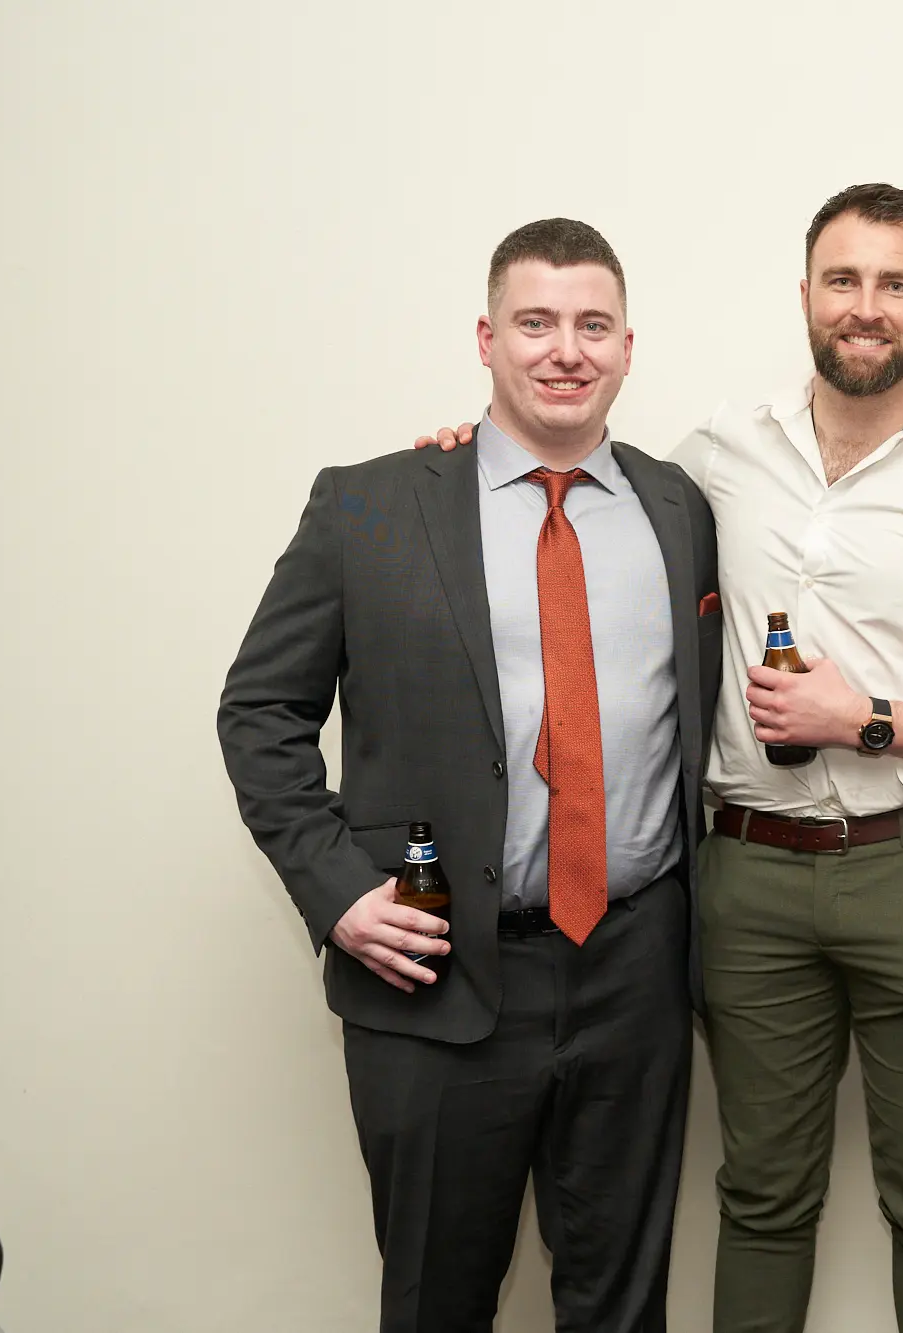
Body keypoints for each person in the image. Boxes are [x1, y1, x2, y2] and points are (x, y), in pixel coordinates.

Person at [420, 182, 903, 1333]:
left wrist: (868, 717)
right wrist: (463, 453)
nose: (864, 306)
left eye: (892, 284)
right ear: (806, 295)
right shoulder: (716, 453)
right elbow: (575, 484)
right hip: (749, 880)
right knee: (762, 1195)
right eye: (842, 279)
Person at [219, 218, 721, 1332]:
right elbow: (260, 709)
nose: (564, 350)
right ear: (485, 338)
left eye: (592, 325)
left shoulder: (678, 508)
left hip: (634, 967)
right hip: (440, 974)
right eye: (534, 322)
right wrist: (339, 893)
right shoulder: (370, 506)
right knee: (439, 1303)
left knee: (621, 1303)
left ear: (628, 347)